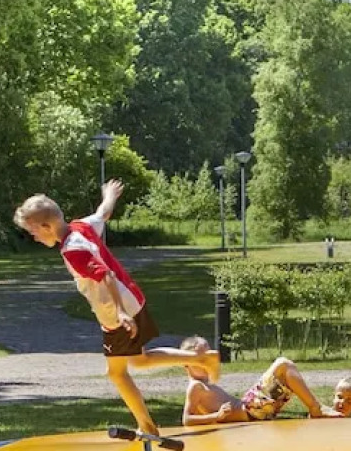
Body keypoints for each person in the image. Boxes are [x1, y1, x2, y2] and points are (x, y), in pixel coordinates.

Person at [14, 180, 216, 436]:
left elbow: (105, 275)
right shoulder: (81, 227)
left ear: (46, 226)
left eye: (33, 232)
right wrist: (109, 196)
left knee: (117, 373)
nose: (33, 237)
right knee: (139, 361)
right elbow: (103, 214)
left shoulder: (72, 250)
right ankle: (202, 359)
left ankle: (148, 426)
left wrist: (119, 312)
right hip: (132, 300)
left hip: (117, 312)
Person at [179, 338, 351, 425]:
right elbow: (187, 419)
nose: (207, 361)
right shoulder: (196, 387)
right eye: (200, 358)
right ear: (185, 363)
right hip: (250, 410)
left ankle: (316, 409)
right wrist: (216, 416)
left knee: (287, 374)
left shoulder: (205, 384)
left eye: (209, 355)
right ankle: (315, 408)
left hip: (255, 411)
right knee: (283, 365)